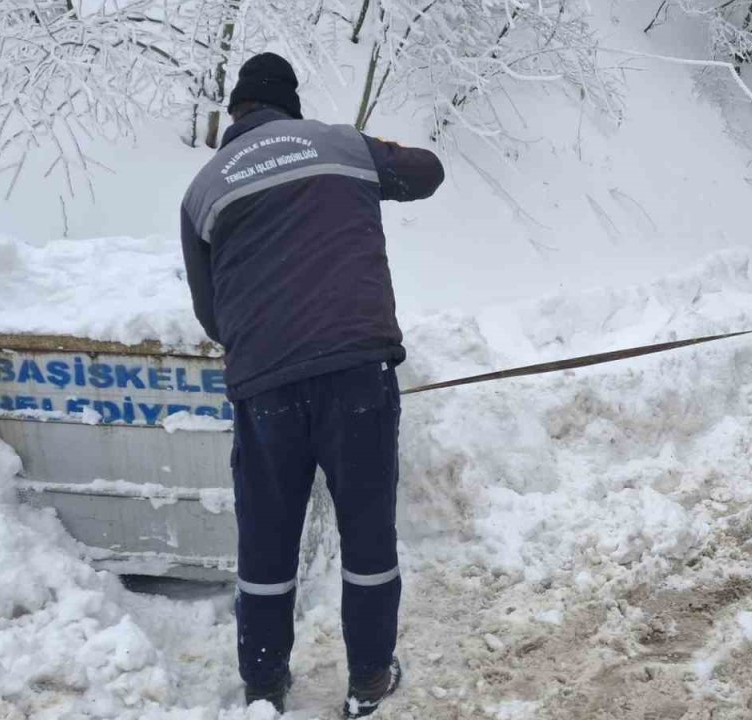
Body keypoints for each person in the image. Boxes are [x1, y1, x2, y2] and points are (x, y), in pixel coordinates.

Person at [179, 52, 444, 716]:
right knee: (367, 535)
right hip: (358, 372)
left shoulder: (203, 190)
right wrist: (370, 155)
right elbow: (427, 172)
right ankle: (368, 682)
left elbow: (212, 316)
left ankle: (265, 685)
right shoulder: (339, 144)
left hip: (266, 389)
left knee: (267, 539)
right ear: (288, 107)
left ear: (236, 112)